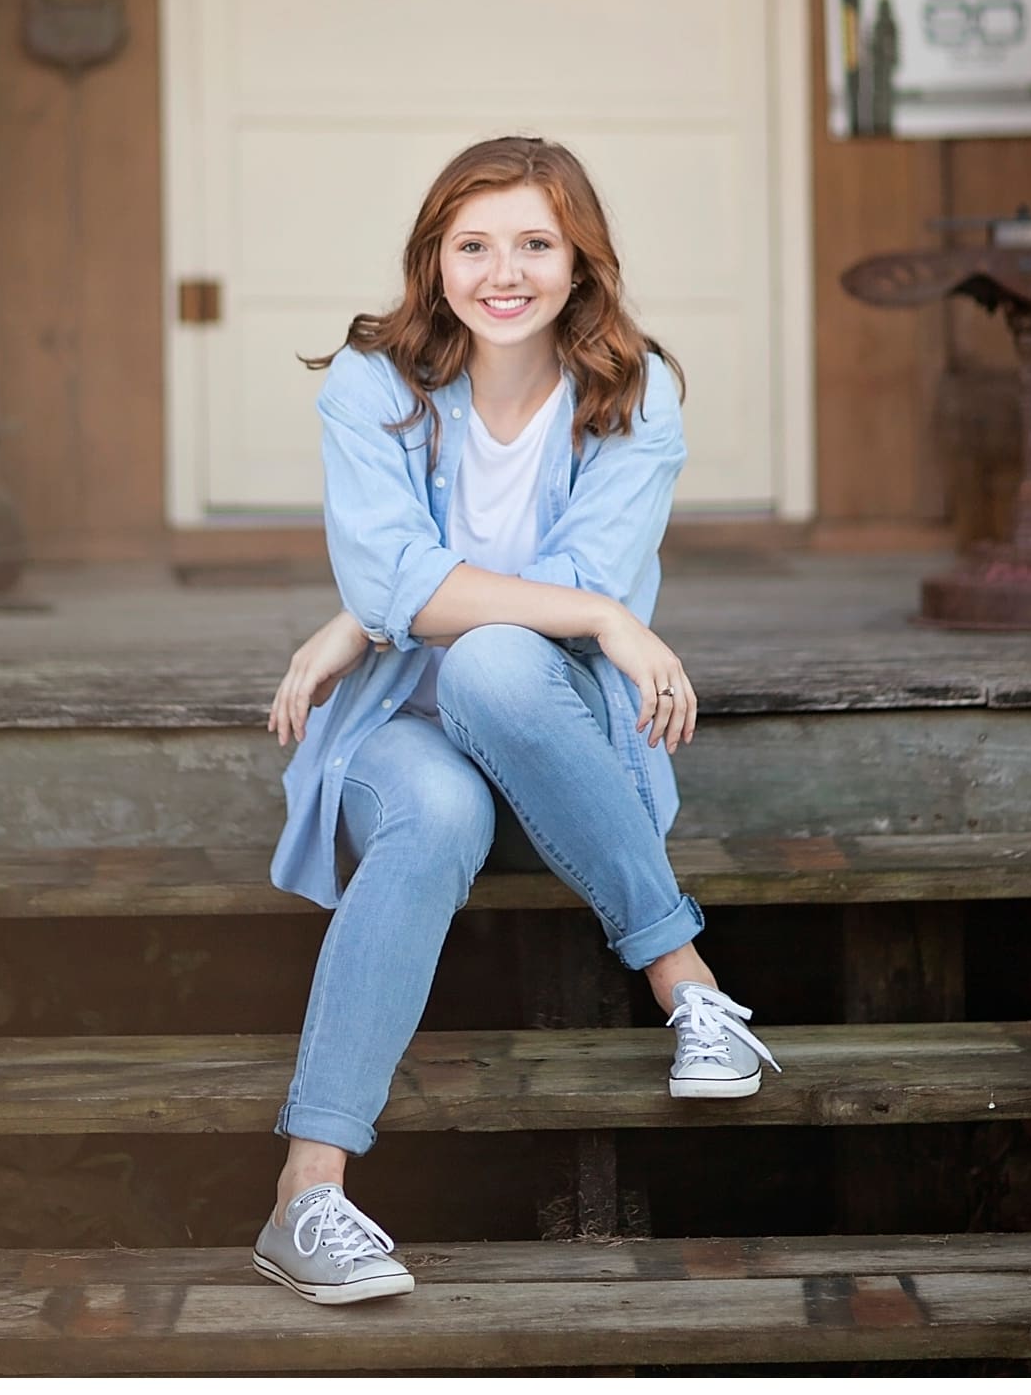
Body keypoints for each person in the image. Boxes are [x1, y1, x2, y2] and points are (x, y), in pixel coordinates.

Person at [251, 136, 776, 1305]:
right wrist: (591, 612)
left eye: (535, 243)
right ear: (433, 257)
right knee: (432, 809)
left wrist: (387, 607)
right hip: (404, 726)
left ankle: (686, 988)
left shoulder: (638, 391)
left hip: (559, 729)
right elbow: (416, 578)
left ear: (579, 261)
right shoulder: (371, 379)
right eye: (474, 243)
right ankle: (307, 1195)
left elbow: (483, 610)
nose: (505, 271)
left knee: (494, 660)